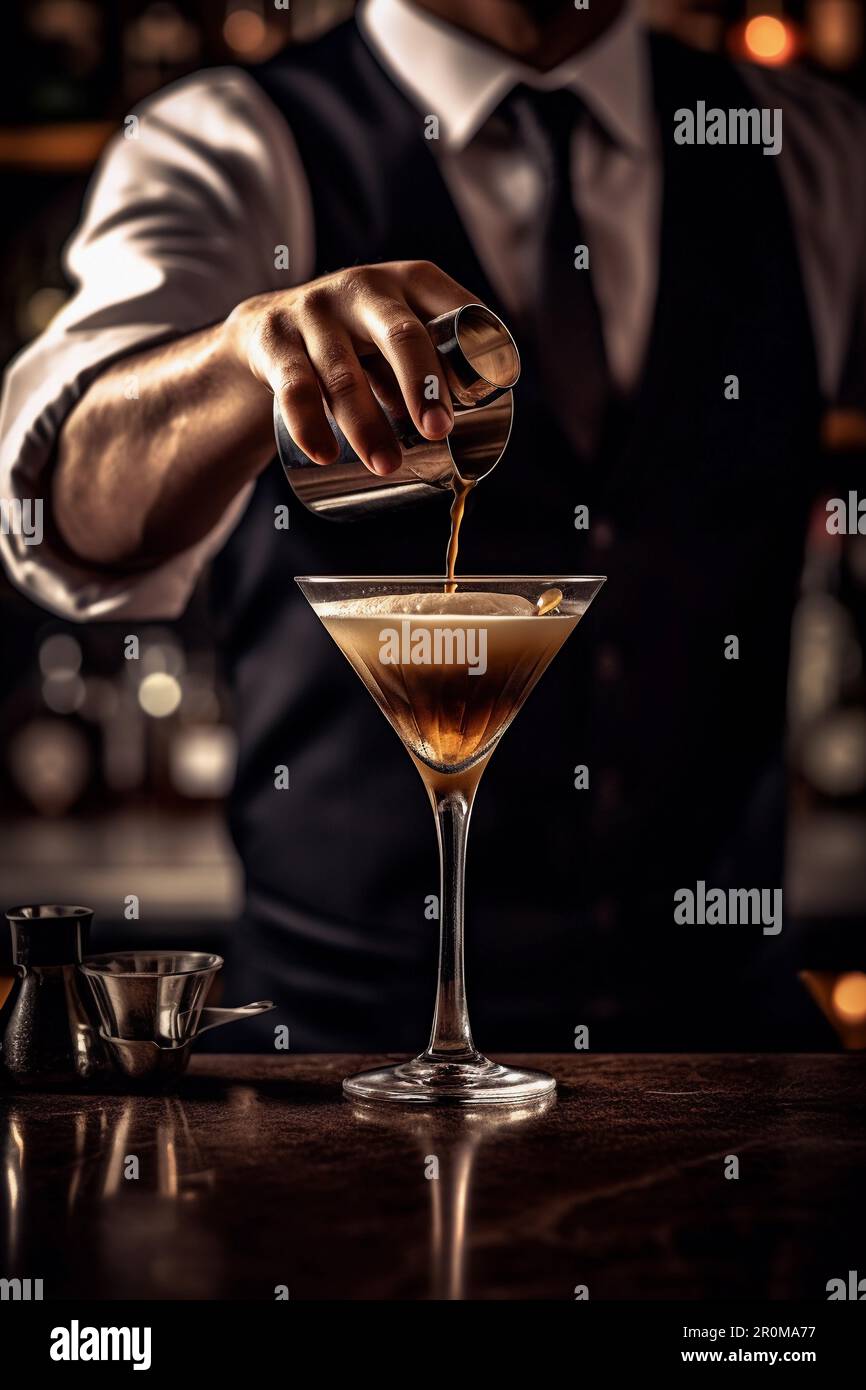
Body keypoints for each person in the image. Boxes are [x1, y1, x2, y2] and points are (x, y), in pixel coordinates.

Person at [2, 0, 864, 1049]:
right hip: (327, 1067)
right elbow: (62, 504)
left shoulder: (804, 142)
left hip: (735, 1059)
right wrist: (238, 360)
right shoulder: (228, 137)